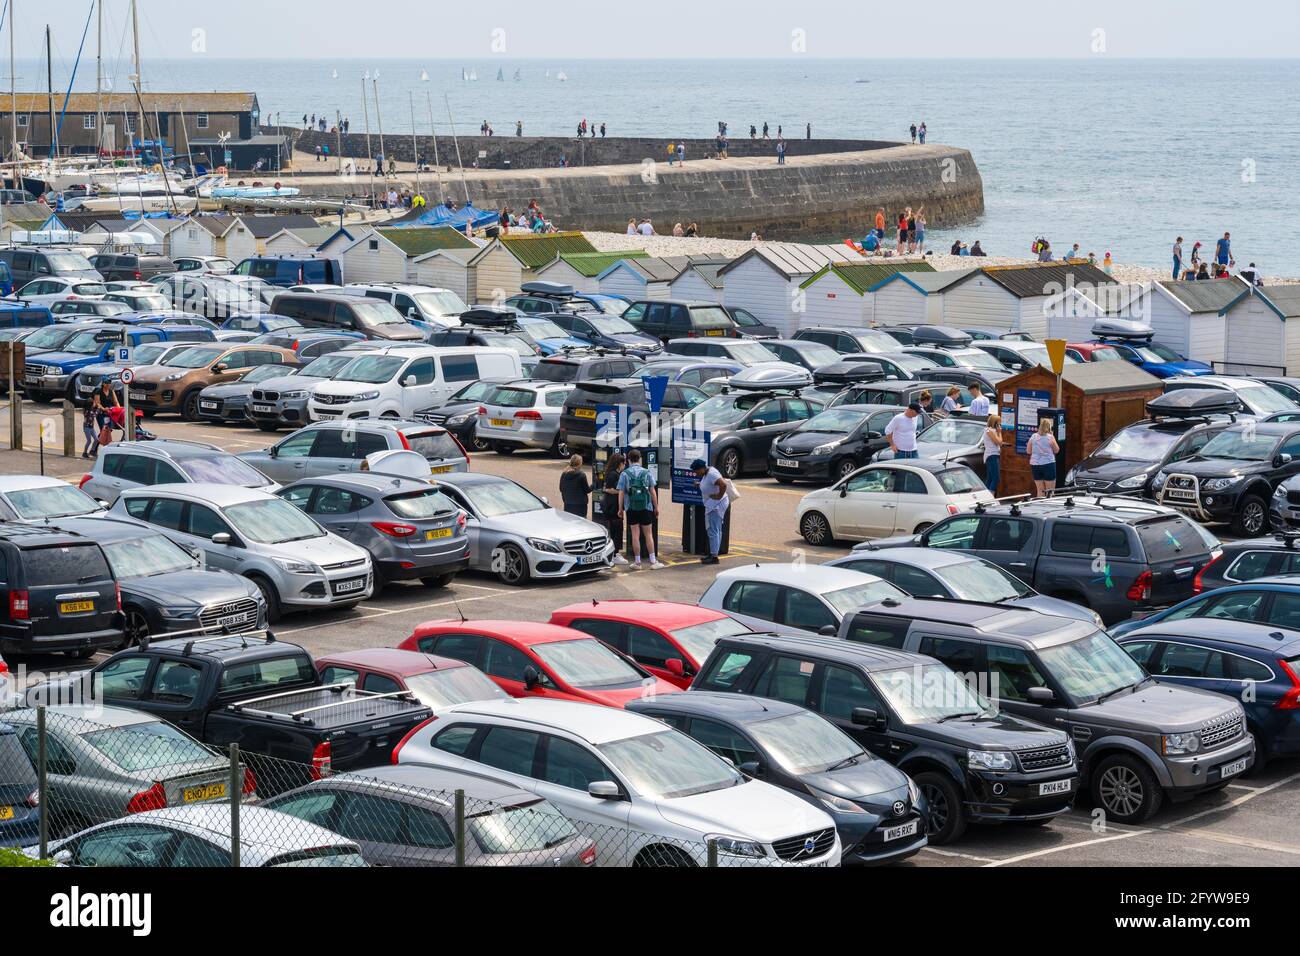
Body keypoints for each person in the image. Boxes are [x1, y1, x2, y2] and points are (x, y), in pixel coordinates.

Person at [617, 449, 664, 569]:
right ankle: (653, 561)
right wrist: (656, 507)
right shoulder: (647, 472)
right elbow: (652, 491)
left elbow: (621, 492)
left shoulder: (624, 474)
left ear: (628, 460)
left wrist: (620, 508)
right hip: (646, 507)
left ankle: (637, 562)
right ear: (640, 459)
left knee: (635, 535)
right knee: (648, 534)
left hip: (631, 507)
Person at [692, 458, 728, 565]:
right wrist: (700, 485)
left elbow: (723, 484)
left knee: (713, 530)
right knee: (716, 530)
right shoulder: (707, 474)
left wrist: (718, 496)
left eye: (696, 471)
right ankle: (714, 553)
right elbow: (710, 485)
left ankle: (714, 557)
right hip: (714, 504)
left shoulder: (711, 474)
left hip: (716, 505)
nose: (695, 473)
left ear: (702, 468)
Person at [602, 451, 628, 566]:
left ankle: (612, 553)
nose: (625, 466)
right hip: (613, 505)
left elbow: (606, 488)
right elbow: (609, 489)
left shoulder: (609, 473)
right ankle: (615, 554)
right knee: (617, 530)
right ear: (619, 464)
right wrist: (622, 492)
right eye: (624, 463)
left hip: (608, 505)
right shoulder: (615, 475)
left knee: (612, 530)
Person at [1027, 419, 1060, 498]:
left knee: (1040, 490)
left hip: (1035, 465)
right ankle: (1048, 508)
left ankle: (1040, 508)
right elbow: (1057, 450)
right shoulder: (1050, 437)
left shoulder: (1033, 436)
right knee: (1050, 491)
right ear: (1049, 428)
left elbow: (1028, 451)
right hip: (1048, 464)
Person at [982, 413, 1003, 493]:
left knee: (990, 478)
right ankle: (990, 496)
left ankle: (985, 496)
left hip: (992, 455)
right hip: (992, 455)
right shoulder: (990, 431)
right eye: (999, 422)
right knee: (996, 478)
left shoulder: (988, 430)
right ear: (995, 423)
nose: (1000, 424)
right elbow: (999, 442)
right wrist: (1000, 432)